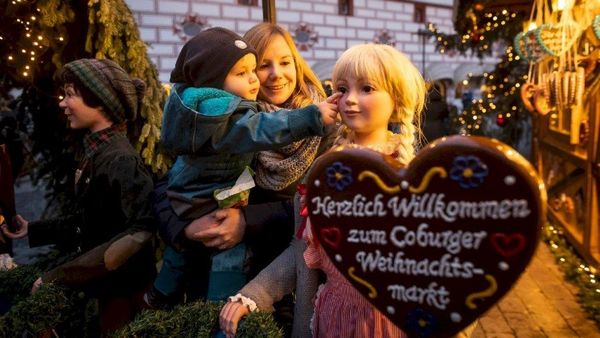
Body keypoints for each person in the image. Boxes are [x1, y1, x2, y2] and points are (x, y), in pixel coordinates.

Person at [220, 43, 427, 337]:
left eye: (367, 88)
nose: (351, 100)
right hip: (330, 320)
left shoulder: (413, 178)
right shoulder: (322, 172)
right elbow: (303, 252)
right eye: (343, 88)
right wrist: (253, 295)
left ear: (396, 98)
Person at [145, 27, 339, 309]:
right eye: (263, 65)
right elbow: (168, 185)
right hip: (211, 275)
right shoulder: (220, 117)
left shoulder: (326, 125)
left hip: (287, 289)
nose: (276, 74)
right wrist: (184, 229)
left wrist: (248, 220)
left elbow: (322, 208)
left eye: (285, 62)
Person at [1, 58, 157, 333]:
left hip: (123, 299)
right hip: (106, 292)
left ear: (100, 101)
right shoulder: (96, 152)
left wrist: (58, 277)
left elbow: (138, 232)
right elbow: (90, 221)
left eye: (71, 94)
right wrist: (33, 230)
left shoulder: (120, 160)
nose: (62, 102)